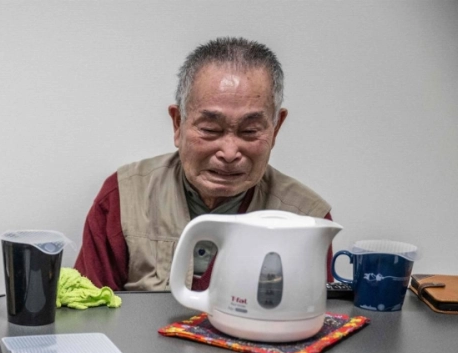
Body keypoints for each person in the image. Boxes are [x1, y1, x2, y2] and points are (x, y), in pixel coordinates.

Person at [76, 37, 334, 292]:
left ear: (275, 129)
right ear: (178, 124)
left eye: (250, 131)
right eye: (210, 129)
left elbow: (309, 321)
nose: (230, 152)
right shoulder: (123, 198)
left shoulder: (307, 219)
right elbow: (88, 312)